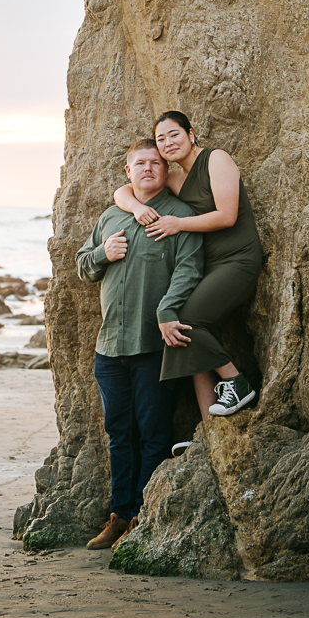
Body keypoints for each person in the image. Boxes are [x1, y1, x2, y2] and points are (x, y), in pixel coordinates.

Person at [76, 137, 204, 550]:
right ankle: (120, 514)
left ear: (166, 171)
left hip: (153, 347)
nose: (148, 168)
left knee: (153, 434)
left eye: (155, 162)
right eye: (140, 163)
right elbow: (81, 266)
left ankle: (143, 519)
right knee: (119, 434)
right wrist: (102, 253)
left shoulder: (180, 217)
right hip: (109, 348)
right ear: (127, 171)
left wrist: (167, 308)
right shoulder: (110, 216)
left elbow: (189, 269)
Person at [113, 111, 263, 429]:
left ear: (191, 134)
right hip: (209, 265)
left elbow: (227, 216)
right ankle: (208, 425)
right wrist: (139, 208)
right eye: (160, 139)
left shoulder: (216, 159)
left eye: (174, 134)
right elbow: (123, 191)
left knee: (188, 320)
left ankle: (238, 383)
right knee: (182, 328)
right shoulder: (174, 176)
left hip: (238, 260)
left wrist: (178, 223)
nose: (168, 142)